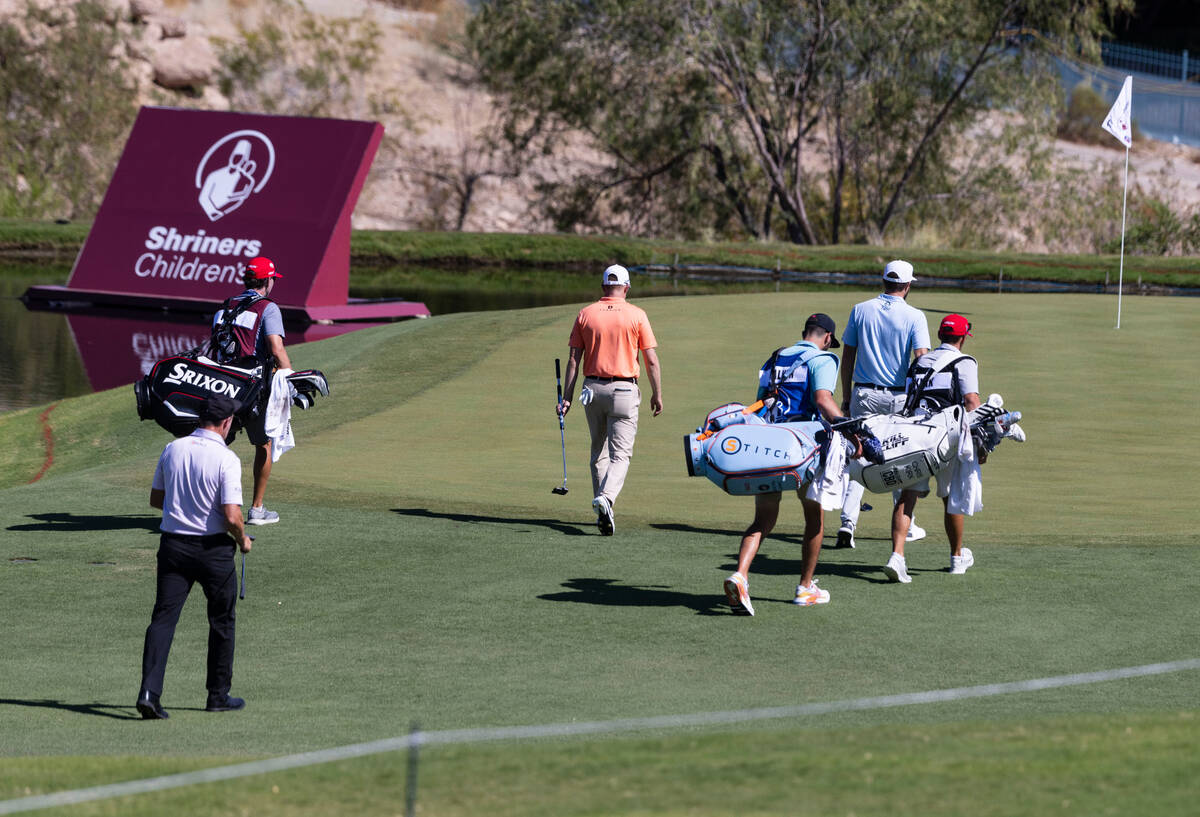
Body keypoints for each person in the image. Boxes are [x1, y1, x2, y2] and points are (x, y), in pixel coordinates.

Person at [136, 395, 253, 720]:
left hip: (173, 546)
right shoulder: (227, 458)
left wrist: (184, 507)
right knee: (222, 622)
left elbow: (157, 499)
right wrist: (243, 539)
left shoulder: (173, 449)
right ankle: (217, 695)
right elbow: (232, 516)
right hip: (213, 551)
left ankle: (148, 692)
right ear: (226, 422)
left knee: (163, 619)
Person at [722, 313, 844, 614]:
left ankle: (741, 575)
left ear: (805, 332)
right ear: (827, 338)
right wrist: (849, 426)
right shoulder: (823, 360)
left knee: (763, 521)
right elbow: (823, 399)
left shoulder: (775, 357)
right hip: (804, 448)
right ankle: (805, 588)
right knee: (814, 519)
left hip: (767, 446)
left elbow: (760, 402)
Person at [557, 264, 663, 535]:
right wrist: (657, 394)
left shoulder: (586, 314)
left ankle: (603, 511)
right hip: (624, 391)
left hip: (591, 390)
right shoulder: (637, 315)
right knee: (621, 454)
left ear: (603, 286)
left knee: (598, 453)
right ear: (626, 287)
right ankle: (606, 498)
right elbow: (650, 360)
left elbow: (573, 359)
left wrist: (565, 398)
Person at [837, 260, 930, 549]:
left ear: (884, 281)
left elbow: (848, 356)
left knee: (858, 455)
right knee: (898, 456)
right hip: (898, 398)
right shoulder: (915, 315)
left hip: (863, 394)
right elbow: (922, 360)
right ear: (907, 285)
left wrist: (847, 396)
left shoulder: (860, 309)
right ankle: (907, 524)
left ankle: (847, 524)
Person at [885, 314, 982, 582]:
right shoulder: (965, 361)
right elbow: (972, 401)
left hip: (915, 435)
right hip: (945, 438)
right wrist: (979, 441)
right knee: (951, 498)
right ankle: (956, 557)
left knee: (908, 495)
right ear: (962, 338)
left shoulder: (919, 362)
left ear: (940, 335)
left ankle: (897, 556)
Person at [210, 255, 292, 525]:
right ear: (268, 280)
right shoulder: (268, 308)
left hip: (222, 386)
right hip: (254, 389)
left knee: (216, 445)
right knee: (264, 444)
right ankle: (257, 510)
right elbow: (275, 348)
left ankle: (208, 506)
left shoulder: (226, 306)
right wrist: (290, 379)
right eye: (273, 280)